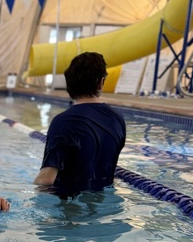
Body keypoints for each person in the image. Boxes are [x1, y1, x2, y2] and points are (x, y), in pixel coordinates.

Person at [34, 51, 126, 199]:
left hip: (70, 209)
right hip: (102, 205)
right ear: (101, 82)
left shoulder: (62, 122)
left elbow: (46, 179)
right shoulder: (118, 119)